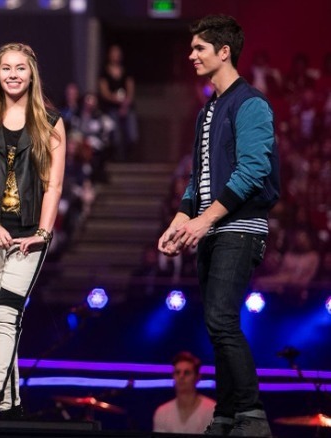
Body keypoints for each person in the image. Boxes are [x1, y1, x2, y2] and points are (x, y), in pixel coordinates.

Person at [158, 14, 279, 437]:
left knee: (223, 319)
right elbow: (199, 176)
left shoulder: (250, 104)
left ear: (223, 52)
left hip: (239, 226)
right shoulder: (208, 110)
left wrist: (204, 220)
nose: (191, 55)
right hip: (211, 227)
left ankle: (250, 414)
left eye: (199, 49)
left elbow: (252, 171)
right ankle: (228, 414)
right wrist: (181, 218)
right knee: (216, 322)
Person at [0, 42, 65, 420]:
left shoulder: (51, 123)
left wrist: (43, 232)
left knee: (7, 317)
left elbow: (54, 185)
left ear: (31, 73)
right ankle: (12, 406)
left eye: (20, 68)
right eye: (6, 68)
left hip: (28, 236)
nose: (12, 74)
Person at [153, 351, 215, 434]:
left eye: (187, 373)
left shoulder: (212, 410)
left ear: (197, 377)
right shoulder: (162, 412)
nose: (181, 376)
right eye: (177, 372)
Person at [97, 44, 138, 161]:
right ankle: (117, 158)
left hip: (126, 107)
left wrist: (125, 104)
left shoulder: (126, 71)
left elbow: (130, 89)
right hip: (111, 107)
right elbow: (104, 92)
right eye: (113, 53)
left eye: (118, 53)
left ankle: (130, 157)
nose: (116, 56)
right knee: (115, 135)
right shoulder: (104, 72)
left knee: (132, 133)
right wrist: (115, 99)